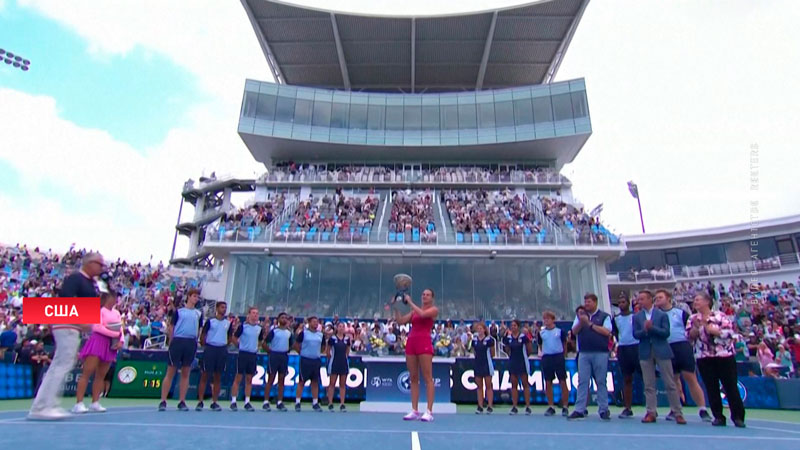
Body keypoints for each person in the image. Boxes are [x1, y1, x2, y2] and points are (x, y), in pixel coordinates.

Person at [28, 252, 104, 421]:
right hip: (67, 325)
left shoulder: (91, 284)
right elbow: (64, 301)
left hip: (73, 327)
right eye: (99, 264)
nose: (102, 268)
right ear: (89, 263)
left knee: (62, 363)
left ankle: (45, 404)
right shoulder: (76, 279)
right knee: (61, 364)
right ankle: (43, 406)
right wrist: (80, 322)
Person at [687, 292, 746, 428]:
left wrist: (713, 330)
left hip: (724, 356)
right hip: (704, 357)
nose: (695, 303)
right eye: (694, 300)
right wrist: (696, 327)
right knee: (711, 387)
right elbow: (689, 337)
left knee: (730, 386)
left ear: (707, 302)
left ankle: (738, 417)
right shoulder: (693, 318)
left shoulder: (720, 316)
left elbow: (729, 333)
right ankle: (718, 416)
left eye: (698, 300)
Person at [655, 289, 711, 422]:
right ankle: (675, 409)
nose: (657, 300)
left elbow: (691, 329)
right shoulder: (655, 316)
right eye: (656, 298)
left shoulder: (681, 313)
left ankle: (702, 409)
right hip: (666, 348)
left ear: (668, 298)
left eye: (660, 297)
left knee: (690, 377)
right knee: (672, 380)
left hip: (682, 346)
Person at [633, 290, 685, 424]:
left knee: (670, 382)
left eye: (642, 299)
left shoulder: (661, 315)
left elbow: (666, 333)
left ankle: (677, 412)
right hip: (645, 351)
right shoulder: (637, 316)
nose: (640, 302)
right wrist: (645, 330)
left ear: (650, 299)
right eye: (639, 299)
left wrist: (652, 328)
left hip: (661, 350)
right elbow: (635, 334)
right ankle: (651, 412)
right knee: (649, 384)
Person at [73, 292, 122, 414]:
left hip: (111, 345)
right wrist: (115, 334)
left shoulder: (117, 313)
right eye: (113, 296)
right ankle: (78, 403)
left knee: (101, 375)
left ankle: (95, 402)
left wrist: (120, 340)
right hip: (98, 341)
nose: (116, 299)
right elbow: (97, 327)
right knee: (87, 373)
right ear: (107, 297)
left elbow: (120, 328)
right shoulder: (99, 310)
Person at [394, 289, 439, 422]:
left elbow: (423, 314)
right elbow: (401, 321)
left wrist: (410, 302)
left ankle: (429, 411)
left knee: (427, 377)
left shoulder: (434, 310)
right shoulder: (414, 311)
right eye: (423, 294)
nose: (425, 296)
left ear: (432, 298)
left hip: (424, 342)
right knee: (413, 377)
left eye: (428, 295)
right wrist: (396, 307)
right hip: (411, 342)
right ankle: (414, 410)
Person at [568, 293, 612, 421]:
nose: (587, 304)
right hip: (584, 353)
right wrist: (582, 323)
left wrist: (590, 324)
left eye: (589, 302)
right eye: (585, 302)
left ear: (595, 302)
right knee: (582, 381)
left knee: (601, 381)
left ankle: (603, 409)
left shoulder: (604, 316)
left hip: (601, 353)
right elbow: (574, 331)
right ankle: (579, 409)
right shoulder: (581, 316)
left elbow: (607, 332)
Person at [158, 288, 203, 412]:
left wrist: (196, 340)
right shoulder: (179, 311)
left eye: (197, 296)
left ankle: (182, 401)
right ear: (188, 296)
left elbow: (199, 328)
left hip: (190, 342)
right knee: (171, 371)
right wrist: (171, 342)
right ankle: (163, 400)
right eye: (194, 296)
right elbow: (172, 327)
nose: (196, 298)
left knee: (185, 372)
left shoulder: (198, 313)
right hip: (178, 341)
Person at [196, 301, 231, 411]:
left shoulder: (228, 323)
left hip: (221, 349)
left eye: (225, 307)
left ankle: (214, 401)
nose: (224, 309)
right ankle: (200, 401)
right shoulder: (210, 321)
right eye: (222, 307)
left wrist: (225, 345)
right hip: (210, 348)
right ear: (217, 308)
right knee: (205, 375)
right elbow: (203, 335)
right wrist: (205, 344)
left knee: (218, 377)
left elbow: (229, 337)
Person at [230, 307, 264, 412]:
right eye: (253, 313)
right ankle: (233, 401)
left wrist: (256, 347)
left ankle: (247, 401)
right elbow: (234, 338)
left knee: (249, 379)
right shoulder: (243, 327)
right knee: (238, 378)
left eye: (257, 313)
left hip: (252, 355)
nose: (255, 315)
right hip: (243, 354)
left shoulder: (259, 328)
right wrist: (239, 345)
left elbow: (260, 340)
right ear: (249, 314)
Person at [611, 294, 639, 418]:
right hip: (623, 349)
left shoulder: (636, 316)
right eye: (620, 302)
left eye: (624, 302)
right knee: (627, 379)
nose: (622, 304)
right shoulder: (615, 318)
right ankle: (627, 408)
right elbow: (616, 333)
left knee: (647, 378)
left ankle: (652, 407)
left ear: (628, 303)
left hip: (636, 347)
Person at [539, 311, 569, 417]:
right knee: (548, 382)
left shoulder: (560, 331)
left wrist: (563, 356)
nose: (546, 321)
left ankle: (565, 406)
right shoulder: (541, 333)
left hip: (558, 357)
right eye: (544, 319)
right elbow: (540, 345)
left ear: (553, 320)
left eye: (548, 318)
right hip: (547, 357)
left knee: (562, 381)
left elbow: (565, 344)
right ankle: (551, 406)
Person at [293, 316, 324, 412]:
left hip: (316, 360)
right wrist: (302, 353)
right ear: (309, 323)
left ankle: (315, 403)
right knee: (302, 381)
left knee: (315, 382)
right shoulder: (303, 333)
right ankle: (298, 402)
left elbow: (323, 347)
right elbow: (296, 345)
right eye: (314, 322)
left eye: (317, 322)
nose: (315, 323)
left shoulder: (320, 335)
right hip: (305, 360)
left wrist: (317, 353)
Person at [263, 312, 292, 412]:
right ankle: (266, 402)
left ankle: (280, 402)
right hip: (274, 355)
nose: (284, 319)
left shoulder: (289, 333)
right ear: (278, 319)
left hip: (283, 356)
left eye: (285, 318)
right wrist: (269, 351)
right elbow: (264, 343)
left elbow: (291, 345)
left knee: (282, 380)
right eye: (282, 317)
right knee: (271, 379)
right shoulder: (274, 331)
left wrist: (286, 350)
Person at [503, 319, 533, 415]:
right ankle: (514, 406)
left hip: (522, 362)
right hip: (513, 362)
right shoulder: (508, 338)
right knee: (514, 385)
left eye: (515, 325)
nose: (513, 327)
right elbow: (507, 349)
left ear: (518, 327)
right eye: (511, 326)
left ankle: (528, 406)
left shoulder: (524, 337)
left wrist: (524, 358)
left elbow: (529, 350)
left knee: (525, 384)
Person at [326, 321, 351, 412]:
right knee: (332, 383)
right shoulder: (332, 338)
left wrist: (345, 358)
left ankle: (342, 403)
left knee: (342, 384)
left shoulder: (347, 339)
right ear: (337, 328)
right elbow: (328, 351)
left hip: (343, 362)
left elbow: (347, 351)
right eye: (339, 326)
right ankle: (330, 403)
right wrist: (330, 358)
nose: (341, 328)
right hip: (334, 362)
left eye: (342, 327)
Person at [471, 322, 495, 414]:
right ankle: (480, 406)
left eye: (481, 329)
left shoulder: (489, 340)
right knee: (479, 386)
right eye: (478, 329)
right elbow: (474, 352)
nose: (480, 330)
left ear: (484, 330)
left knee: (488, 386)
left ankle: (489, 406)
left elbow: (493, 353)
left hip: (487, 364)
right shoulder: (474, 340)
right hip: (478, 364)